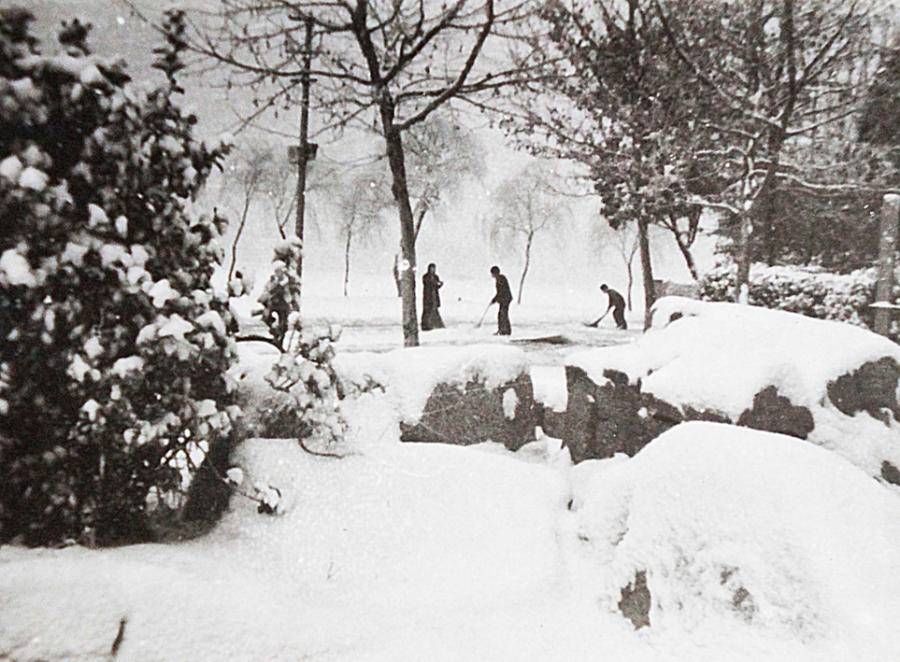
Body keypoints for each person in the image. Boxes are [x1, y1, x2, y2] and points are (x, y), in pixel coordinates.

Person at [489, 265, 513, 336]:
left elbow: (502, 291)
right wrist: (495, 299)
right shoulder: (499, 279)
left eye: (492, 273)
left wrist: (495, 299)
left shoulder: (501, 279)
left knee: (503, 314)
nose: (492, 275)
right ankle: (502, 330)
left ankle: (506, 331)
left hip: (506, 299)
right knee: (501, 314)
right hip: (503, 299)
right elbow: (499, 292)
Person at [421, 263, 445, 330]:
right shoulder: (425, 276)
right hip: (428, 297)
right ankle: (426, 325)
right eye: (432, 268)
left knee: (434, 310)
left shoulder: (436, 277)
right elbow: (427, 284)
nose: (433, 270)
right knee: (427, 311)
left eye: (434, 268)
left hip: (434, 296)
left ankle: (436, 324)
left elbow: (436, 287)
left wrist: (440, 284)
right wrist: (435, 283)